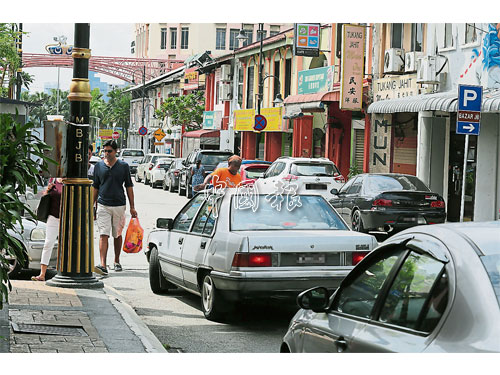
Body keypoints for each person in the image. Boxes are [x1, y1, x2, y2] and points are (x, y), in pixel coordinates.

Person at [92, 140, 137, 275]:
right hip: (103, 205)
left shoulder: (123, 166)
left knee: (117, 234)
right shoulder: (99, 167)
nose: (106, 154)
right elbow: (95, 187)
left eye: (109, 151)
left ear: (116, 151)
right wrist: (90, 206)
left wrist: (132, 207)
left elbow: (129, 186)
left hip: (119, 205)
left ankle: (116, 261)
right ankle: (103, 264)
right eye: (105, 151)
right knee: (103, 234)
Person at [32, 177, 63, 281]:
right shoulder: (53, 180)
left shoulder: (71, 181)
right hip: (53, 217)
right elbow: (45, 196)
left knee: (65, 246)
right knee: (48, 244)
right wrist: (47, 191)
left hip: (66, 219)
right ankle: (42, 274)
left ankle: (62, 272)